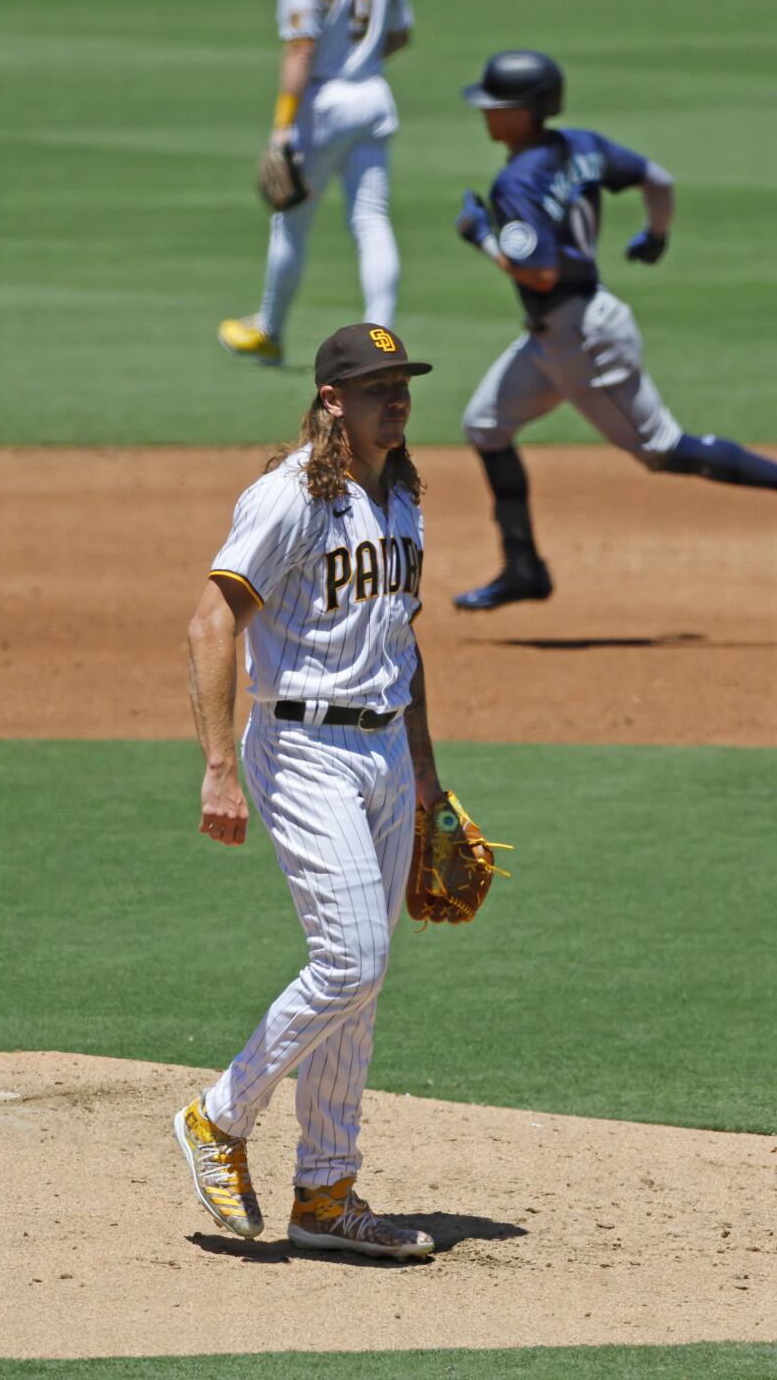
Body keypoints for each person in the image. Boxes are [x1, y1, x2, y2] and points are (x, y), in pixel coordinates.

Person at [174, 322, 441, 1260]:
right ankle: (219, 1116)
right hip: (300, 748)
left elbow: (403, 647)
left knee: (360, 988)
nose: (395, 399)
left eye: (402, 383)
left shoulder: (401, 492)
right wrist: (216, 768)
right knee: (351, 961)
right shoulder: (287, 496)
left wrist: (430, 786)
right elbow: (213, 625)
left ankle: (325, 1192)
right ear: (332, 400)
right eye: (376, 387)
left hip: (385, 756)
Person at [451, 51, 777, 611]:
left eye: (496, 106)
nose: (486, 115)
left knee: (662, 449)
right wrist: (655, 236)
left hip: (582, 339)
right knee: (485, 424)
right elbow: (657, 180)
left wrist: (481, 238)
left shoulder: (514, 184)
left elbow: (539, 272)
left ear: (524, 113)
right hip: (561, 333)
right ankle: (524, 566)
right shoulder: (583, 145)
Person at [219, 0, 413, 367]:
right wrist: (360, 61)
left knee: (292, 220)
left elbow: (300, 52)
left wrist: (282, 128)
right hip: (372, 94)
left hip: (322, 106)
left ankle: (270, 331)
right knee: (371, 218)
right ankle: (381, 334)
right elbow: (401, 34)